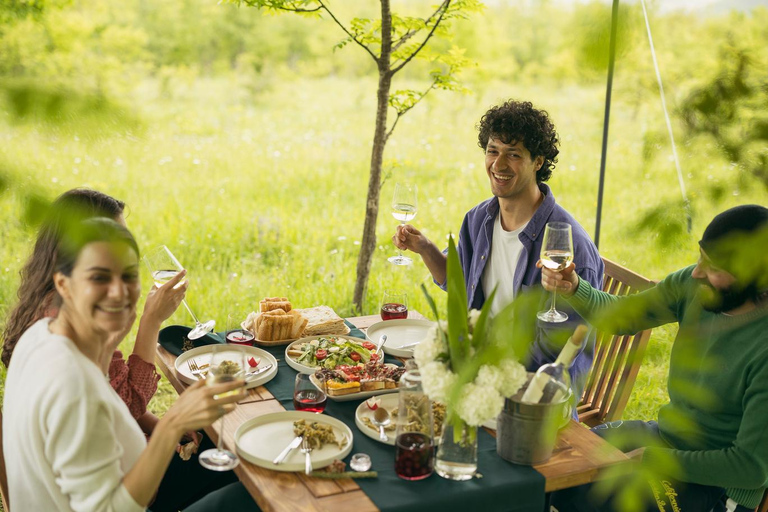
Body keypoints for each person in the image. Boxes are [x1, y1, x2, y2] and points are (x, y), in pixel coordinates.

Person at [2, 217, 250, 511]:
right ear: (63, 284)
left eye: (129, 275)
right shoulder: (71, 387)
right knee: (256, 495)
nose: (119, 291)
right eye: (99, 277)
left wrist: (107, 347)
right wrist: (172, 424)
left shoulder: (41, 335)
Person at [542, 205, 768, 511]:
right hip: (666, 437)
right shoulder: (693, 285)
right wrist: (574, 288)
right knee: (561, 466)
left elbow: (750, 468)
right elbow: (624, 317)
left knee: (596, 501)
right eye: (701, 256)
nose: (698, 271)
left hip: (722, 483)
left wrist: (652, 459)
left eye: (713, 267)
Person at [393, 100, 603, 392]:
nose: (499, 164)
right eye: (493, 151)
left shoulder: (566, 248)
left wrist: (480, 368)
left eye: (513, 154)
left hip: (532, 396)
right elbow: (460, 283)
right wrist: (426, 248)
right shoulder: (479, 218)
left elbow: (556, 353)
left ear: (538, 162)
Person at [2, 189, 184, 432]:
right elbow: (126, 407)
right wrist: (151, 320)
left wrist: (163, 428)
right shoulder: (71, 322)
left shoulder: (49, 299)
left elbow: (111, 391)